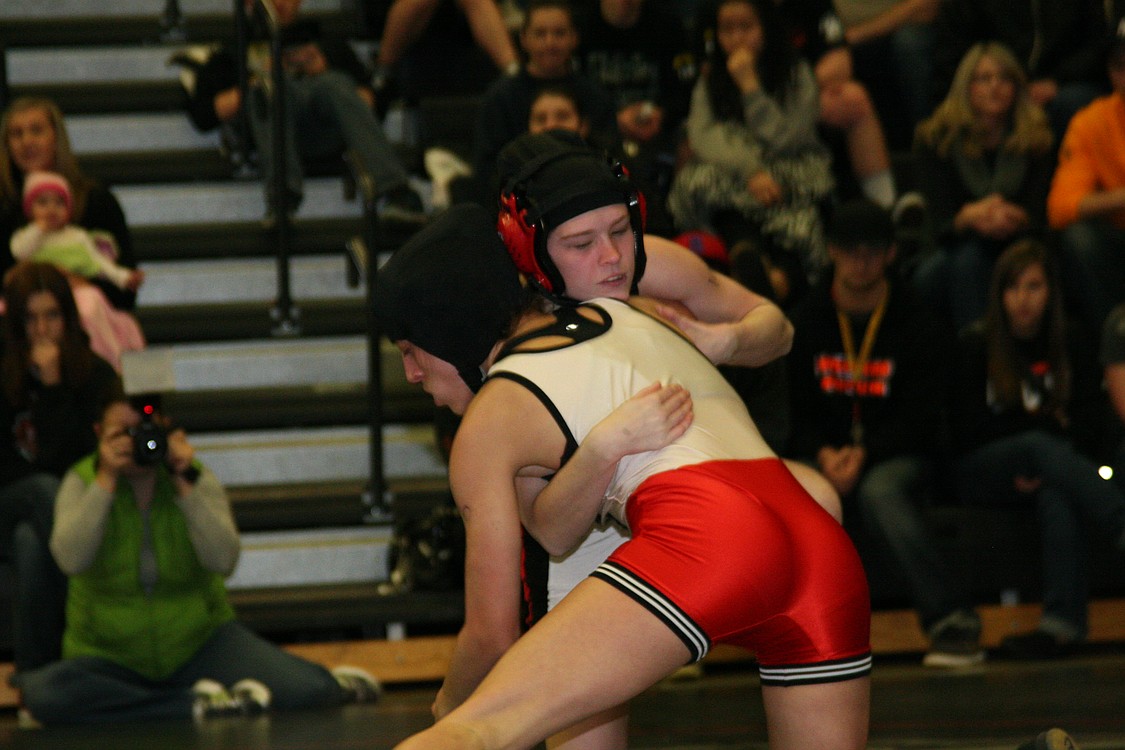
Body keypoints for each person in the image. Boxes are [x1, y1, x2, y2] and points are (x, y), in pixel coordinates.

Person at [375, 202, 872, 750]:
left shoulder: (492, 419)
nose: (412, 374)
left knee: (471, 731)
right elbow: (556, 531)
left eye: (411, 351)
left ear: (450, 333)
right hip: (820, 540)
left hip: (711, 539)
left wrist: (449, 708)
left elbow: (492, 635)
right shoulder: (625, 306)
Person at [492, 131, 843, 748]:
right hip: (585, 523)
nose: (612, 259)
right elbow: (545, 523)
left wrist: (722, 342)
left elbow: (777, 327)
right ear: (531, 251)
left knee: (816, 498)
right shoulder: (511, 332)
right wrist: (601, 447)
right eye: (581, 242)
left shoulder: (653, 264)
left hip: (697, 510)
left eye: (620, 232)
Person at [14, 396, 381, 725]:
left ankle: (332, 684)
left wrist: (184, 481)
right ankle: (193, 703)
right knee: (43, 697)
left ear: (164, 429)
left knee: (306, 692)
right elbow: (69, 559)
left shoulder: (191, 475)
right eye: (121, 433)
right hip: (107, 655)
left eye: (143, 431)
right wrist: (106, 479)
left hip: (200, 642)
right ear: (98, 433)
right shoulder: (82, 479)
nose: (136, 443)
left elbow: (224, 559)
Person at [783, 198, 983, 668]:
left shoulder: (919, 322)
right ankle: (792, 631)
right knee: (795, 485)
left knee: (882, 490)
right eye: (851, 250)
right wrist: (823, 451)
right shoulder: (804, 320)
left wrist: (865, 451)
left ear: (891, 254)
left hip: (897, 454)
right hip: (824, 452)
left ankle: (952, 619)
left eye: (873, 250)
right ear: (832, 252)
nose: (861, 261)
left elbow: (924, 416)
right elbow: (792, 406)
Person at [952, 238, 1125, 659]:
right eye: (1012, 288)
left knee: (1058, 492)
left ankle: (1061, 623)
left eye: (1033, 287)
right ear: (999, 294)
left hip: (1053, 467)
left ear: (1051, 291)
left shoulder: (1072, 340)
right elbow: (962, 432)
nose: (1023, 300)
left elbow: (1089, 424)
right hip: (985, 469)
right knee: (1036, 444)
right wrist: (1041, 430)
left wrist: (1044, 439)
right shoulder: (975, 343)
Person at [185, 0, 425, 221]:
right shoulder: (231, 53)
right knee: (270, 90)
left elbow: (373, 106)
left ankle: (396, 190)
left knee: (334, 84)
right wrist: (259, 81)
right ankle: (282, 197)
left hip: (322, 131)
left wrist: (321, 70)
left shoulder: (326, 44)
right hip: (265, 132)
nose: (279, 2)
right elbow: (204, 115)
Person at [668, 0, 835, 310]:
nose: (736, 38)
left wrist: (750, 86)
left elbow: (787, 138)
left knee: (798, 205)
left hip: (789, 173)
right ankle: (747, 256)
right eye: (727, 29)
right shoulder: (710, 78)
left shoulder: (797, 73)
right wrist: (749, 169)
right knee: (699, 180)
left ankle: (776, 276)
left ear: (766, 29)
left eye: (746, 27)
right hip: (737, 175)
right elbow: (703, 136)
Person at [0, 262, 124, 677]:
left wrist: (53, 388)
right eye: (30, 318)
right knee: (42, 491)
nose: (41, 330)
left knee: (30, 544)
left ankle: (36, 676)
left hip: (71, 508)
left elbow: (85, 464)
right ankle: (94, 646)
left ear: (67, 319)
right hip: (9, 502)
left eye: (51, 316)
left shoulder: (93, 376)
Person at [911, 42, 1056, 332]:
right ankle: (978, 358)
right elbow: (939, 221)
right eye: (984, 78)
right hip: (951, 249)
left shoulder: (1038, 139)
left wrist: (1010, 216)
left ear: (1017, 86)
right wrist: (968, 217)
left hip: (1020, 245)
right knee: (966, 261)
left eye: (1004, 78)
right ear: (966, 86)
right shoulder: (935, 138)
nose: (995, 87)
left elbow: (1040, 215)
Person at [466, 0, 616, 204]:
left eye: (559, 33)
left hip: (586, 198)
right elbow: (487, 173)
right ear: (524, 39)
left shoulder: (594, 95)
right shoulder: (500, 97)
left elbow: (610, 160)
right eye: (540, 34)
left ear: (575, 38)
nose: (550, 43)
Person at [1, 97, 140, 311]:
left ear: (57, 139)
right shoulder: (4, 207)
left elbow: (124, 292)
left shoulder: (97, 201)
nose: (26, 141)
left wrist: (77, 283)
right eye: (16, 134)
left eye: (36, 130)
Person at [9, 172, 148, 371]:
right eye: (42, 203)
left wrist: (125, 278)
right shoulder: (27, 236)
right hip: (34, 294)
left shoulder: (78, 237)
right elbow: (18, 251)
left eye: (59, 203)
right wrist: (39, 229)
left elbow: (101, 265)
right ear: (30, 210)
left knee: (90, 306)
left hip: (76, 292)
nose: (51, 209)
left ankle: (103, 364)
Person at [573, 0, 699, 212]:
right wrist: (614, 119)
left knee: (691, 138)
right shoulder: (580, 24)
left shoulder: (669, 25)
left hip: (660, 129)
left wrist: (662, 115)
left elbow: (687, 90)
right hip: (597, 131)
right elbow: (570, 92)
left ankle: (672, 219)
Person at [931, 0, 1108, 144]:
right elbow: (952, 49)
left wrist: (1057, 81)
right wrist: (1003, 81)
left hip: (1060, 84)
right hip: (993, 77)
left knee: (1074, 100)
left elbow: (1098, 45)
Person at [1046, 22, 1125, 335]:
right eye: (1121, 66)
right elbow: (1060, 208)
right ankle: (1118, 345)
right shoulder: (1091, 122)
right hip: (1118, 244)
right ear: (1110, 73)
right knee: (1078, 238)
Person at [835, 0, 939, 150]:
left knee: (909, 43)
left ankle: (929, 145)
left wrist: (854, 36)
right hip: (832, 35)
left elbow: (927, 6)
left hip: (901, 28)